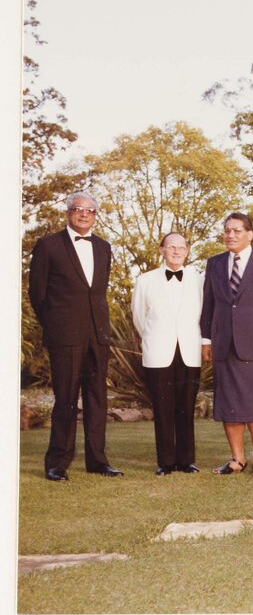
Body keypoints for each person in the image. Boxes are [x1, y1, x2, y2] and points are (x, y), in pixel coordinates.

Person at [28, 191, 123, 480]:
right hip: (65, 335)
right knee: (66, 399)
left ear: (95, 216)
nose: (84, 214)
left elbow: (97, 293)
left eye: (90, 210)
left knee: (97, 399)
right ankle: (57, 463)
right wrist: (56, 325)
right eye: (78, 209)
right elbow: (37, 294)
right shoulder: (48, 246)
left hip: (97, 335)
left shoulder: (104, 247)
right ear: (68, 213)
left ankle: (98, 461)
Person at [200, 213, 253, 477]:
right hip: (223, 342)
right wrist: (206, 339)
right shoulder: (214, 263)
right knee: (229, 402)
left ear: (250, 234)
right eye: (227, 230)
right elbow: (209, 303)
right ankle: (237, 458)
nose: (231, 235)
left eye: (237, 230)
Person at [131, 232, 203, 475]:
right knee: (162, 410)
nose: (176, 251)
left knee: (186, 408)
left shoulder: (199, 280)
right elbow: (139, 317)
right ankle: (166, 462)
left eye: (181, 247)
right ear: (162, 250)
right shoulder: (145, 280)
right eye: (171, 247)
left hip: (189, 352)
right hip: (158, 352)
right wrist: (156, 338)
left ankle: (186, 460)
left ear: (187, 251)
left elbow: (203, 314)